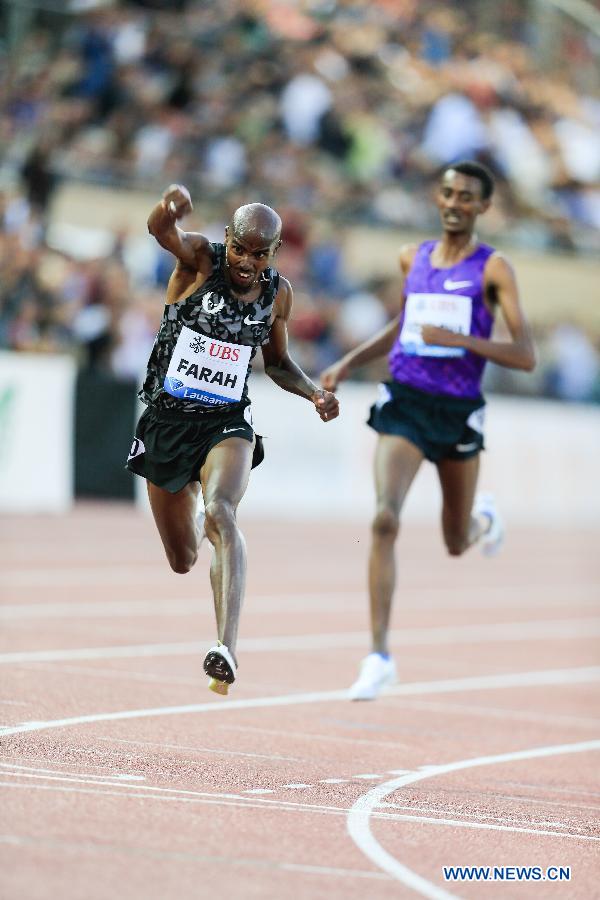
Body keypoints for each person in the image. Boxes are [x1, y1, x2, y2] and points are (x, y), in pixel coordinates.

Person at [320, 161, 536, 701]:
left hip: (458, 411)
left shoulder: (494, 269)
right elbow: (405, 325)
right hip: (407, 403)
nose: (454, 202)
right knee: (384, 518)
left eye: (466, 196)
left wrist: (462, 340)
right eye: (446, 193)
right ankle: (378, 656)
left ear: (483, 206)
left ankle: (481, 521)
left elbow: (525, 354)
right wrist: (349, 361)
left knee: (455, 541)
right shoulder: (411, 257)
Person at [127, 184, 339, 695]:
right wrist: (168, 206)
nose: (247, 261)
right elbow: (161, 231)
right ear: (229, 239)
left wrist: (313, 393)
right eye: (241, 248)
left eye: (259, 253)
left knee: (222, 511)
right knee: (182, 559)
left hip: (226, 422)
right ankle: (195, 505)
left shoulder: (276, 294)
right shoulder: (202, 261)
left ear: (274, 252)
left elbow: (280, 364)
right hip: (165, 423)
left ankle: (226, 647)